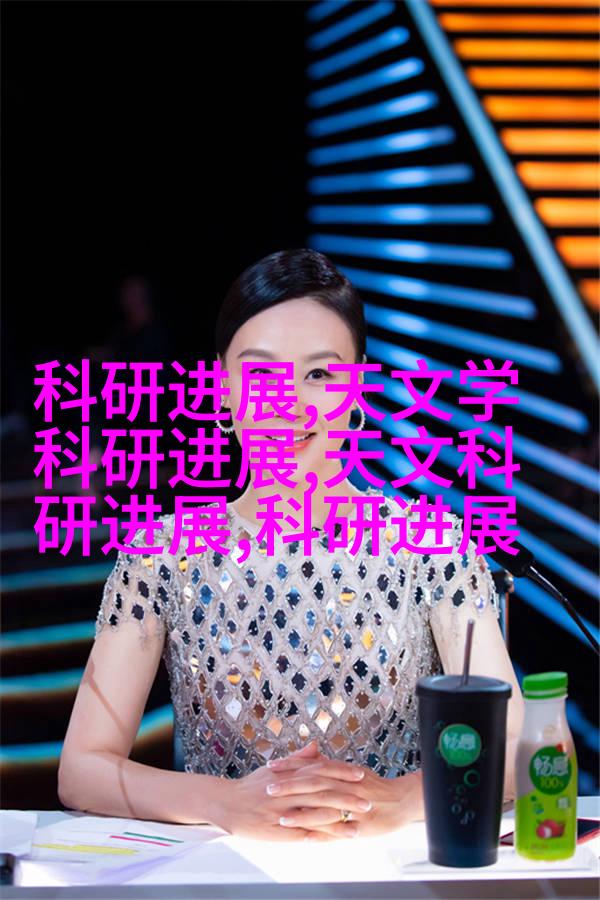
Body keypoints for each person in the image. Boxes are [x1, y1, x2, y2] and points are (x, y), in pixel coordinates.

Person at [58, 249, 524, 842]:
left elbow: (519, 745)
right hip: (225, 871)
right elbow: (82, 769)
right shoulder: (164, 555)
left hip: (392, 869)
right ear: (222, 388)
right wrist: (223, 803)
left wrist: (400, 798)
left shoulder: (431, 546)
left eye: (320, 375)